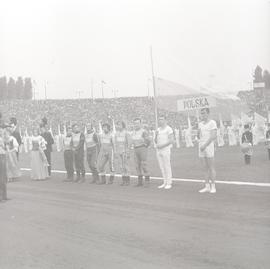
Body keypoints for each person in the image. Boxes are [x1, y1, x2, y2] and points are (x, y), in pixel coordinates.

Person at [198, 108, 217, 194]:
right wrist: (198, 138)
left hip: (208, 146)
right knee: (204, 168)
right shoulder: (200, 124)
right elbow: (199, 136)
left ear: (208, 113)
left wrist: (205, 145)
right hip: (201, 147)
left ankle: (213, 186)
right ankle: (207, 186)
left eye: (204, 113)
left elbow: (213, 136)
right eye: (201, 113)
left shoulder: (212, 123)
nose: (202, 115)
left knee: (211, 167)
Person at [155, 115, 174, 190]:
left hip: (165, 149)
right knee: (161, 166)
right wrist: (156, 136)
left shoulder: (169, 129)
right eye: (159, 119)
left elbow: (171, 140)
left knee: (167, 166)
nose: (160, 121)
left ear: (165, 120)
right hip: (158, 150)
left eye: (162, 119)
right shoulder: (158, 129)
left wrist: (162, 145)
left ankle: (169, 182)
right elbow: (155, 141)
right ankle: (165, 181)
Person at [131, 118, 151, 187]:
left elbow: (148, 140)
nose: (136, 125)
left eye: (137, 123)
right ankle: (140, 182)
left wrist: (145, 146)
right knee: (137, 166)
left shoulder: (143, 131)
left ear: (140, 124)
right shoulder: (133, 132)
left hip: (142, 148)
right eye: (135, 123)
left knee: (144, 165)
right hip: (135, 149)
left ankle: (147, 181)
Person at [115, 121, 131, 186]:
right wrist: (116, 151)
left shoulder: (126, 133)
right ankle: (123, 180)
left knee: (126, 166)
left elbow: (129, 143)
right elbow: (116, 143)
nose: (118, 126)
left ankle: (127, 180)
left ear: (123, 126)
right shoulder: (116, 133)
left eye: (120, 125)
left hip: (124, 151)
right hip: (119, 151)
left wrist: (128, 152)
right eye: (118, 125)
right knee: (121, 166)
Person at [0, 126, 8, 202]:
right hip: (1, 156)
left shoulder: (2, 138)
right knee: (2, 177)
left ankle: (4, 195)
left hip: (3, 155)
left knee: (3, 176)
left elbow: (5, 147)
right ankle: (2, 196)